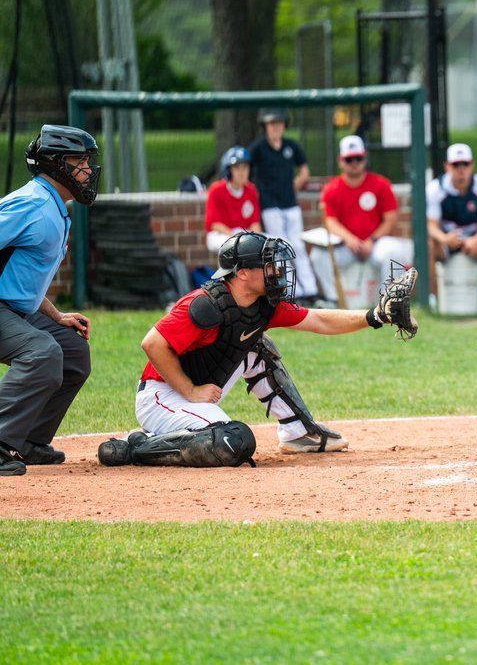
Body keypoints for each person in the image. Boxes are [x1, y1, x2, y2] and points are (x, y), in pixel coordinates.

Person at [95, 232, 418, 467]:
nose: (276, 271)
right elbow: (152, 343)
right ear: (243, 273)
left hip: (193, 391)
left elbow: (318, 320)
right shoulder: (205, 305)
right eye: (267, 265)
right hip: (161, 396)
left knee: (258, 346)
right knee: (232, 442)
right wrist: (190, 390)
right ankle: (137, 446)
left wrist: (375, 316)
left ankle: (297, 433)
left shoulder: (262, 305)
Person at [0, 126, 99, 476]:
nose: (88, 170)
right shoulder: (32, 204)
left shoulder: (53, 208)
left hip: (12, 308)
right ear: (56, 165)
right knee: (41, 352)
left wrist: (55, 316)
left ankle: (25, 439)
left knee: (72, 351)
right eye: (80, 161)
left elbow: (20, 278)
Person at [312, 135, 414, 304]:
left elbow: (390, 218)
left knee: (394, 252)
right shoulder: (331, 188)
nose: (354, 163)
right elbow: (330, 221)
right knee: (318, 255)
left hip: (375, 244)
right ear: (341, 161)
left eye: (358, 158)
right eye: (349, 159)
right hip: (346, 246)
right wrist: (349, 239)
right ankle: (333, 300)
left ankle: (387, 303)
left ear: (365, 158)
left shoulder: (381, 184)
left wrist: (372, 240)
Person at [426, 142, 477, 317]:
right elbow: (430, 224)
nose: (461, 169)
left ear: (472, 165)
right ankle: (431, 300)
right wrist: (445, 239)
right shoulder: (434, 189)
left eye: (465, 164)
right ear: (447, 166)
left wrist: (475, 240)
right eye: (456, 165)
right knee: (428, 246)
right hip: (445, 240)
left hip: (474, 240)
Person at [248, 108, 318, 302]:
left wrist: (293, 185)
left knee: (298, 245)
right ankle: (292, 291)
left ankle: (310, 289)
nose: (276, 127)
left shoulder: (291, 146)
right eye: (272, 124)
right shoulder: (258, 148)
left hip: (290, 204)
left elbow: (305, 172)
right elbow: (246, 172)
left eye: (279, 123)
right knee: (281, 246)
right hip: (270, 205)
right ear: (265, 126)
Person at [204, 145, 263, 253]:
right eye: (237, 168)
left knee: (274, 246)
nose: (242, 172)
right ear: (228, 171)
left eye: (245, 168)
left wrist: (256, 240)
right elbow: (214, 224)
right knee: (235, 247)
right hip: (220, 234)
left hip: (244, 233)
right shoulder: (216, 189)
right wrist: (237, 237)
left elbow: (255, 223)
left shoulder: (251, 190)